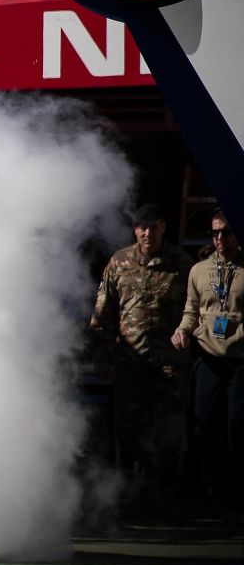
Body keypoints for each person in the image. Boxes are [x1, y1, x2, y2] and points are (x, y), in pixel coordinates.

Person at [89, 204, 194, 513]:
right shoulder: (119, 262)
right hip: (130, 364)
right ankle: (128, 496)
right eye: (142, 227)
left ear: (163, 227)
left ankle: (167, 500)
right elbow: (102, 313)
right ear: (135, 229)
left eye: (154, 227)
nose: (148, 233)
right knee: (127, 431)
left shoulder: (182, 264)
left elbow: (198, 307)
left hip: (169, 365)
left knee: (171, 436)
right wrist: (104, 355)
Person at [172, 209, 242, 511]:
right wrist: (183, 330)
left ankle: (238, 492)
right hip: (208, 357)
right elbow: (191, 309)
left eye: (225, 232)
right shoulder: (199, 270)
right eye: (214, 233)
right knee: (203, 425)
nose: (219, 239)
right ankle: (214, 490)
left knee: (236, 428)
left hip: (240, 359)